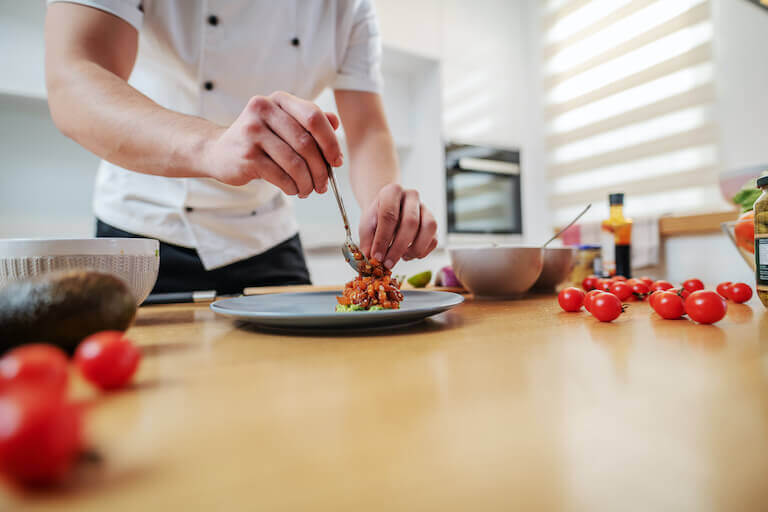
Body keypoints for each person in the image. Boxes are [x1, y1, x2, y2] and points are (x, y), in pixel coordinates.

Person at [44, 0, 438, 294]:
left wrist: (383, 203)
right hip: (142, 234)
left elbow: (368, 128)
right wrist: (212, 146)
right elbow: (73, 79)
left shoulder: (351, 8)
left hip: (267, 234)